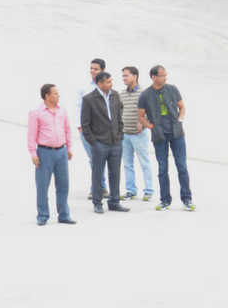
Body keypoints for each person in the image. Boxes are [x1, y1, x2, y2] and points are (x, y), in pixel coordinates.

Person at [137, 66, 194, 211]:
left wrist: (180, 121)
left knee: (182, 167)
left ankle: (187, 199)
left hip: (177, 133)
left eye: (165, 75)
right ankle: (165, 200)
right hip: (159, 135)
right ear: (154, 77)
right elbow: (140, 117)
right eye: (162, 76)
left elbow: (182, 107)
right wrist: (152, 127)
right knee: (163, 169)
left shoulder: (172, 89)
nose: (165, 78)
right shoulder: (145, 95)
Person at [28, 84, 76, 226]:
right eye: (55, 93)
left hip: (61, 152)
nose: (58, 95)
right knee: (42, 185)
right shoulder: (36, 113)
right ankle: (42, 215)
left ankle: (64, 214)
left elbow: (67, 129)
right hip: (45, 152)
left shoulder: (62, 110)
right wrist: (33, 153)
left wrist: (69, 147)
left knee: (63, 185)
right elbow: (31, 135)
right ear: (47, 96)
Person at [81, 71, 128, 214]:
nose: (111, 83)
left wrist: (120, 134)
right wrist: (94, 142)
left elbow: (119, 116)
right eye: (108, 82)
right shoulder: (89, 99)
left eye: (111, 81)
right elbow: (85, 124)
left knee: (115, 173)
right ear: (99, 84)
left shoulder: (115, 95)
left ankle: (114, 201)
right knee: (97, 173)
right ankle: (97, 202)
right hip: (100, 143)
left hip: (115, 142)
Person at [76, 59, 108, 199]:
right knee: (93, 158)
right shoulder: (84, 88)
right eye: (91, 68)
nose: (92, 71)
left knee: (101, 157)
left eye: (96, 69)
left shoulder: (107, 87)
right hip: (87, 129)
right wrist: (79, 125)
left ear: (102, 70)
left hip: (103, 129)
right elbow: (78, 106)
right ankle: (97, 187)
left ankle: (100, 186)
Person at [119, 67, 153, 202]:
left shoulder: (144, 92)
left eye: (126, 76)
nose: (124, 78)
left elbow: (152, 111)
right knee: (127, 164)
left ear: (135, 76)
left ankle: (149, 191)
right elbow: (120, 111)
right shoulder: (121, 93)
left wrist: (144, 123)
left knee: (144, 163)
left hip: (139, 134)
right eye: (123, 76)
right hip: (125, 134)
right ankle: (131, 190)